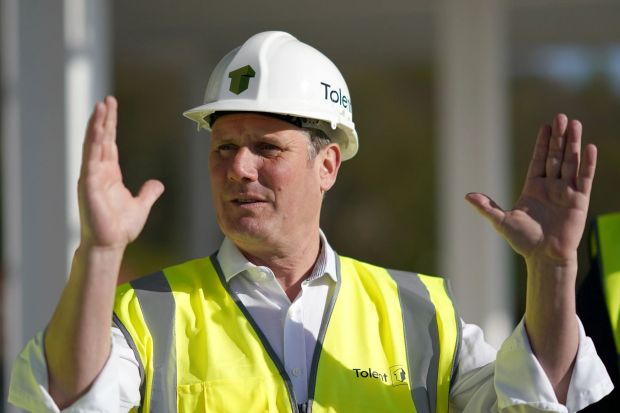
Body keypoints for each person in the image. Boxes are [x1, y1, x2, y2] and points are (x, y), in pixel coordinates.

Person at [8, 31, 613, 412]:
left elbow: (534, 403)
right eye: (223, 148)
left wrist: (551, 270)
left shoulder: (422, 312)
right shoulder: (146, 312)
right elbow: (59, 402)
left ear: (327, 165)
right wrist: (99, 252)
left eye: (266, 148)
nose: (239, 168)